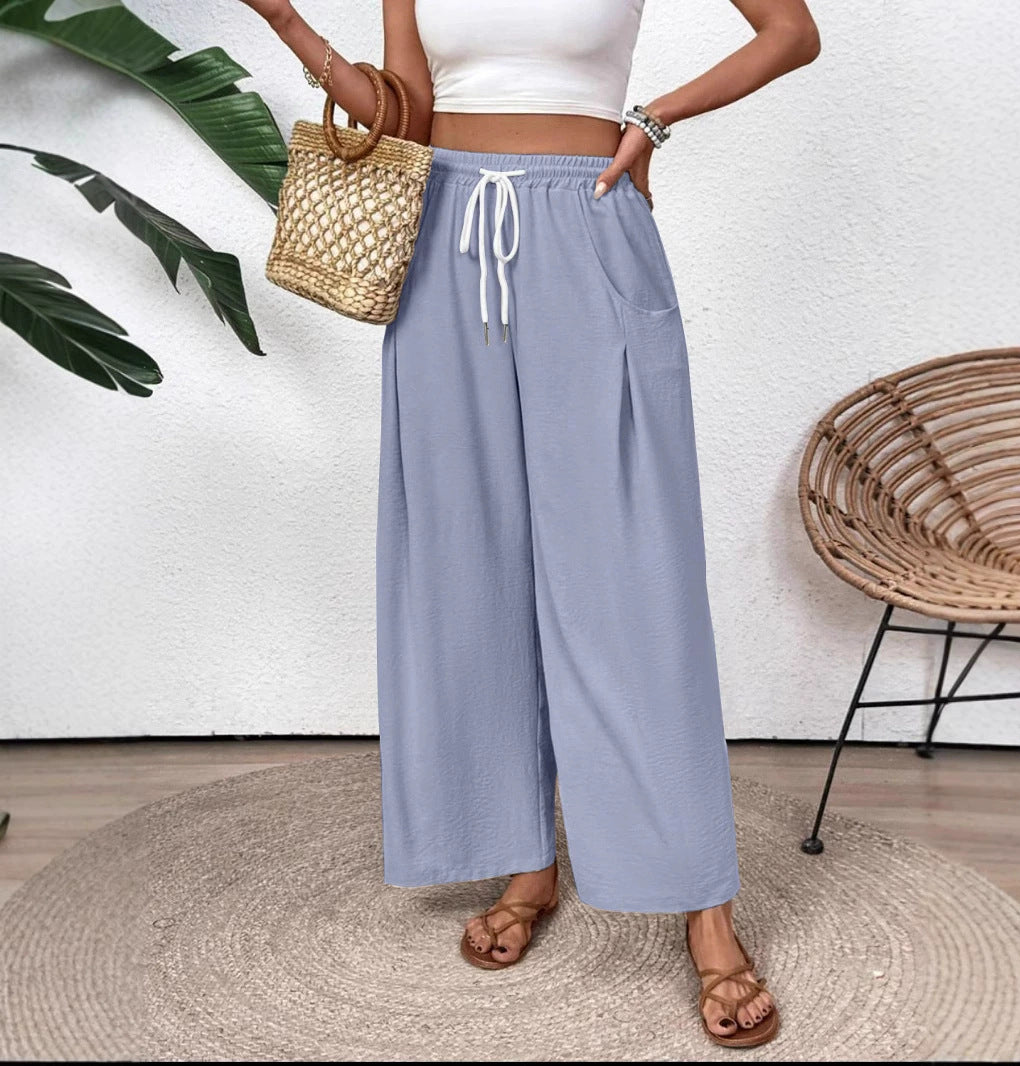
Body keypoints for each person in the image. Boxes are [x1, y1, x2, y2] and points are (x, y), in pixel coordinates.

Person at [241, 0, 819, 1048]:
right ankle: (526, 861)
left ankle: (705, 905)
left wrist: (654, 119)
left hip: (587, 223)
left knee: (633, 577)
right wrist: (285, 19)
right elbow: (406, 117)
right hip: (442, 243)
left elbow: (790, 30)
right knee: (467, 564)